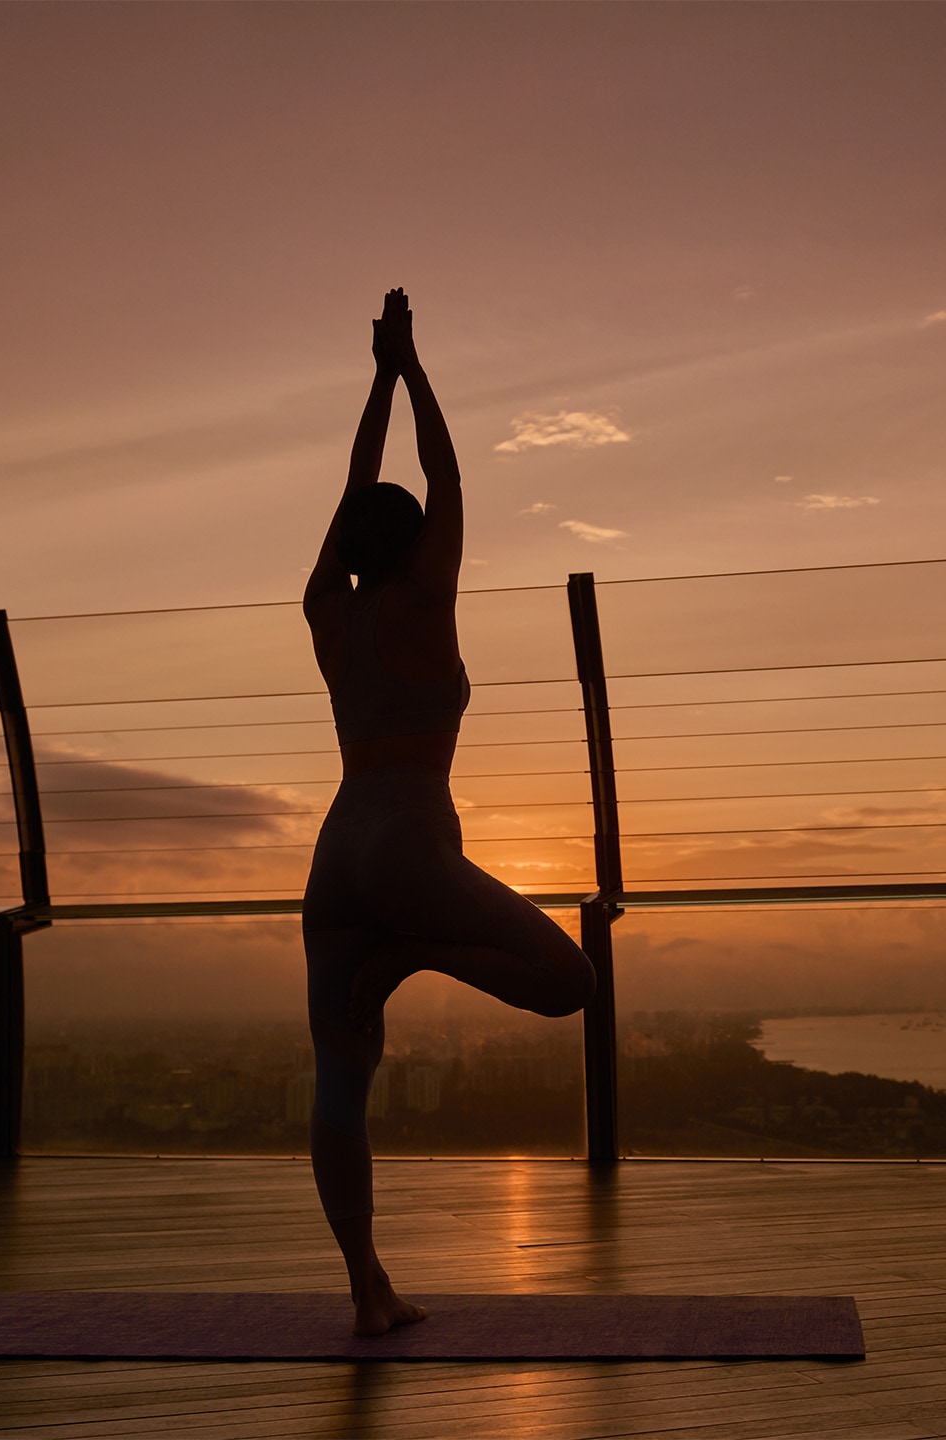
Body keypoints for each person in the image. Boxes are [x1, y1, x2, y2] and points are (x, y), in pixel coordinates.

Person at [302, 288, 596, 1336]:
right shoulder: (427, 598)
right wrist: (412, 366)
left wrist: (374, 379)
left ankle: (368, 1292)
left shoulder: (324, 611)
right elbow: (447, 474)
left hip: (337, 849)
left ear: (345, 548)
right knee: (569, 982)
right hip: (410, 840)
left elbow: (355, 488)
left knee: (342, 1077)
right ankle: (413, 957)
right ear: (417, 547)